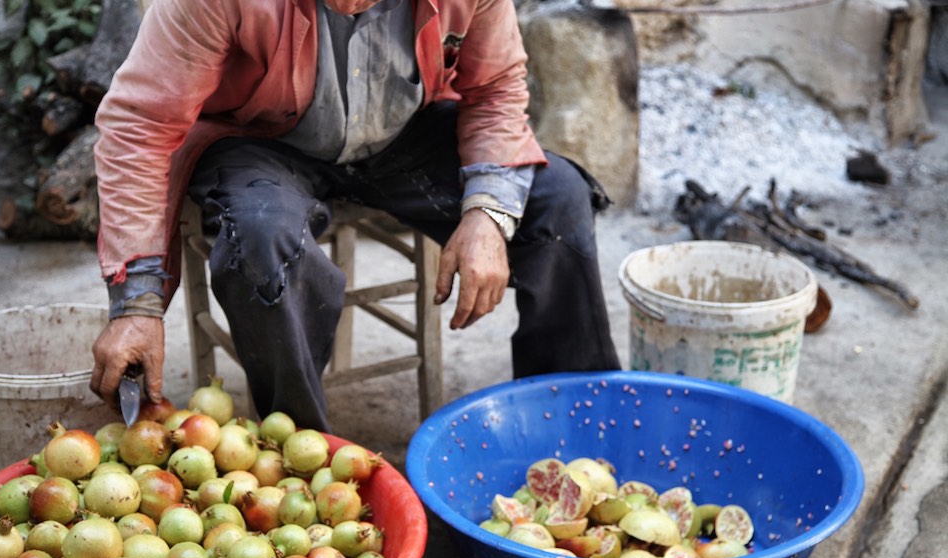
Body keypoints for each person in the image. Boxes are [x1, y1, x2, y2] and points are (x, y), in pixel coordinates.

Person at [90, 0, 620, 432]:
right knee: (261, 235)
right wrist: (137, 303)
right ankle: (294, 450)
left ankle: (578, 426)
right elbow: (140, 126)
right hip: (260, 138)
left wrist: (486, 213)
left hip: (405, 131)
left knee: (556, 197)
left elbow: (496, 87)